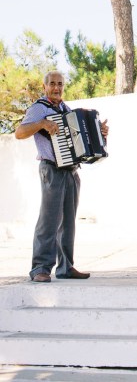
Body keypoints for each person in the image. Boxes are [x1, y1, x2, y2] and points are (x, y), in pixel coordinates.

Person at [15, 70, 109, 283]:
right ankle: (40, 268)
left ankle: (66, 267)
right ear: (45, 86)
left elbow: (81, 137)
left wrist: (100, 132)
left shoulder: (65, 109)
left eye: (60, 84)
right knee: (48, 221)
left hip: (71, 171)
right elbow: (19, 133)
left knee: (68, 222)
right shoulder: (39, 108)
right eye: (52, 84)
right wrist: (41, 124)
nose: (56, 88)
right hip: (51, 169)